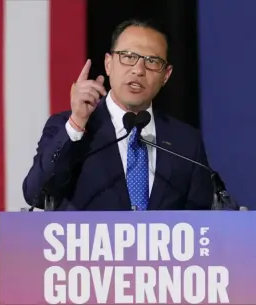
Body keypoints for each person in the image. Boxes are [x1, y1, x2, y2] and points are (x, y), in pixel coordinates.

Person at [22, 18, 213, 211]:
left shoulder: (186, 142)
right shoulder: (68, 126)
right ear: (108, 64)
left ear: (166, 75)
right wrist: (77, 123)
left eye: (152, 61)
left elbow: (202, 220)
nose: (138, 70)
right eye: (128, 56)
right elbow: (36, 195)